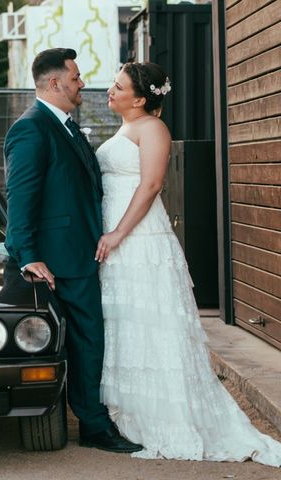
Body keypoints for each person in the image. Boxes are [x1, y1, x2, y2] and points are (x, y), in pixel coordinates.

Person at [96, 61, 281, 466]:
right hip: (117, 241)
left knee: (153, 326)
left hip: (140, 240)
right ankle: (132, 416)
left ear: (141, 99)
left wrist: (118, 234)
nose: (110, 91)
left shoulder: (153, 129)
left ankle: (168, 418)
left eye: (117, 86)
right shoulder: (126, 128)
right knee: (128, 327)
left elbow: (151, 185)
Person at [4, 47, 141, 453]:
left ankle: (91, 422)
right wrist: (28, 254)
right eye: (76, 77)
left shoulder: (63, 125)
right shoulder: (31, 128)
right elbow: (21, 197)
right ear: (54, 83)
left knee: (88, 339)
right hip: (58, 258)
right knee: (85, 339)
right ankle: (94, 427)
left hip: (79, 253)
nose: (82, 84)